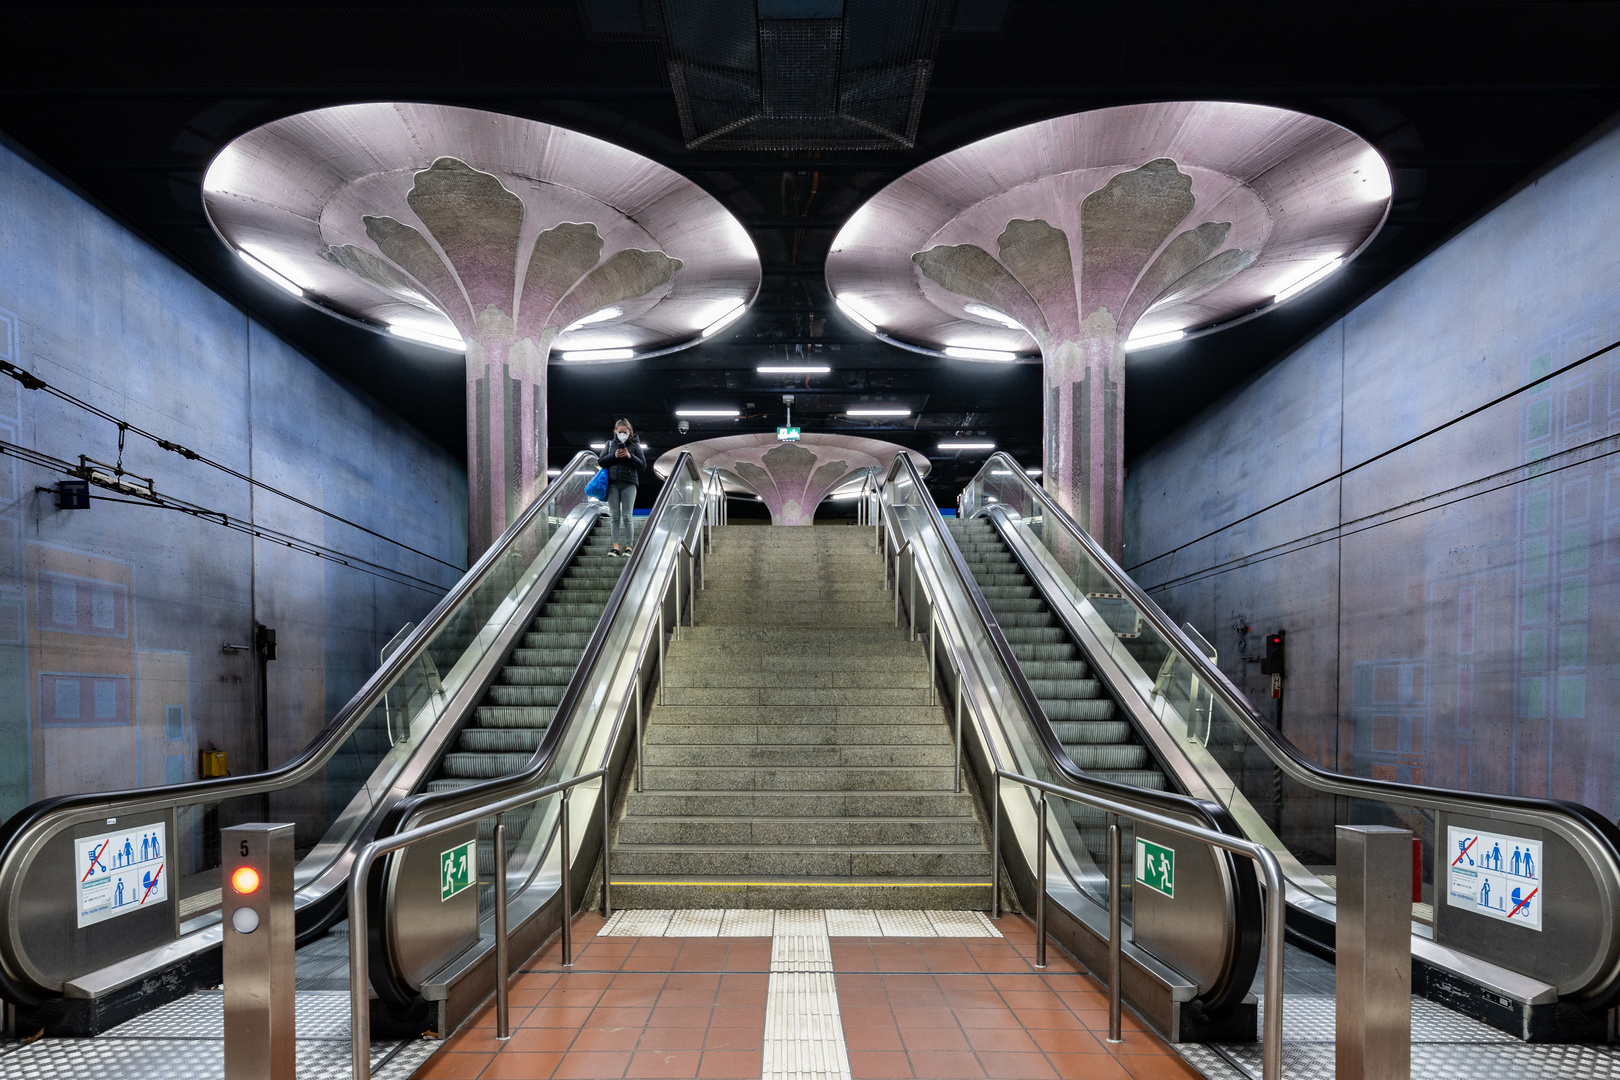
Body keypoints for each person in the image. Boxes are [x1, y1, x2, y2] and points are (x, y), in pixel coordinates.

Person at [598, 419, 645, 557]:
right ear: (615, 432)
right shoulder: (610, 444)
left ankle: (629, 547)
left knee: (627, 516)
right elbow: (601, 461)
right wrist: (614, 455)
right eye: (620, 432)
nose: (622, 434)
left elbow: (642, 465)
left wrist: (630, 456)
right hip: (612, 484)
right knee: (614, 516)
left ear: (629, 432)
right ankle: (616, 547)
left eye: (625, 432)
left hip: (629, 483)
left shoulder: (635, 446)